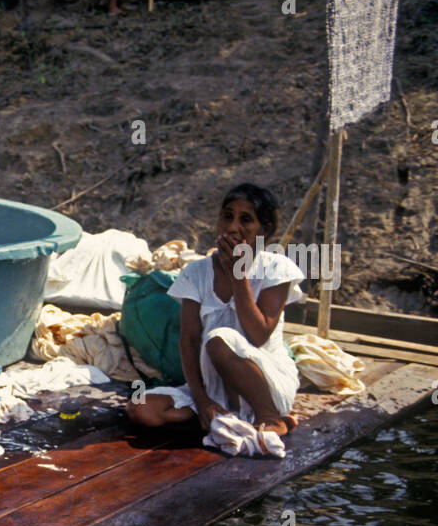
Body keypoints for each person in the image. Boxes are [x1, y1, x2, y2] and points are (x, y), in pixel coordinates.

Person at [126, 183, 305, 437]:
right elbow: (188, 341)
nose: (233, 227)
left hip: (264, 381)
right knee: (140, 409)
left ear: (264, 230)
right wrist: (201, 400)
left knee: (219, 340)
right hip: (213, 383)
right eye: (228, 216)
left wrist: (238, 276)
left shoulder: (276, 269)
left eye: (246, 220)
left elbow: (258, 335)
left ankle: (270, 417)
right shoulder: (196, 273)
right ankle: (222, 419)